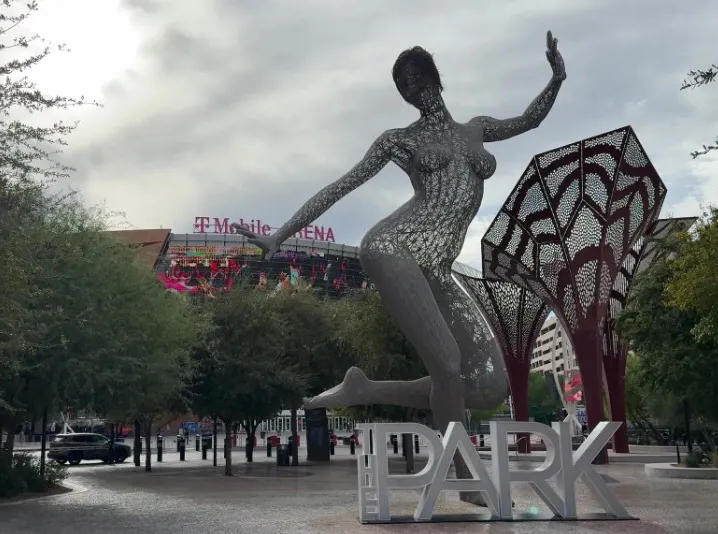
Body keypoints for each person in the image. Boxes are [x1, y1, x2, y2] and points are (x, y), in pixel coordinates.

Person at [234, 32, 565, 436]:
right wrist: (279, 236)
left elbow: (528, 120)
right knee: (446, 364)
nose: (411, 89)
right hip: (393, 246)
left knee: (487, 385)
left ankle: (365, 389)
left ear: (434, 78)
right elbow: (340, 186)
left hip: (437, 267)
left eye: (416, 78)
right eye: (403, 85)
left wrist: (556, 79)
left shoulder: (476, 129)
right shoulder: (400, 139)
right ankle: (457, 474)